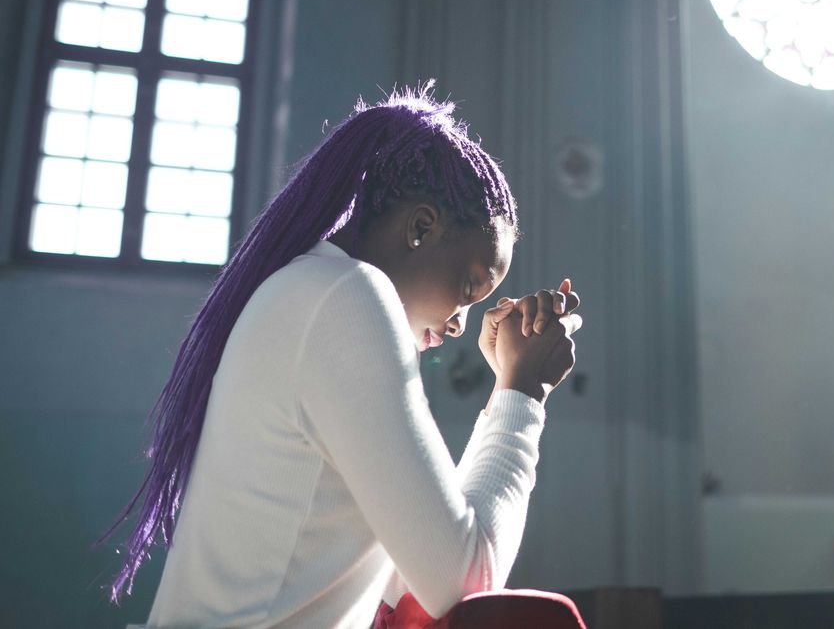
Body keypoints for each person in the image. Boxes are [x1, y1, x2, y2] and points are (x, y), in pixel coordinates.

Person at [98, 84, 584, 627]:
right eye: (469, 287)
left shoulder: (310, 291)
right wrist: (524, 394)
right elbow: (465, 583)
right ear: (421, 228)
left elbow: (417, 572)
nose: (458, 323)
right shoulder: (345, 297)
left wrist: (505, 391)